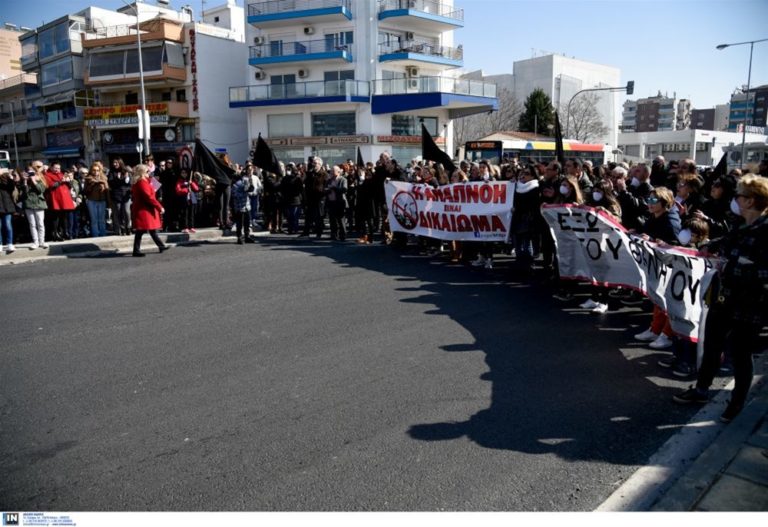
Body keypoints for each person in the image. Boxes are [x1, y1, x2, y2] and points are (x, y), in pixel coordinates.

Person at [673, 175, 768, 423]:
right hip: (724, 297)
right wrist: (708, 246)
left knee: (740, 353)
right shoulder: (739, 223)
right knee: (712, 344)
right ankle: (701, 390)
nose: (734, 200)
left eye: (739, 196)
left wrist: (731, 268)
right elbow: (726, 241)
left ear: (751, 201)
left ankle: (737, 403)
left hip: (751, 304)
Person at [130, 164, 168, 257]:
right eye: (147, 171)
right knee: (142, 230)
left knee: (150, 230)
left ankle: (160, 246)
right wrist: (159, 206)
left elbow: (152, 187)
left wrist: (153, 180)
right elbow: (148, 197)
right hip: (144, 209)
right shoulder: (141, 182)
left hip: (144, 208)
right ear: (142, 173)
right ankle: (136, 250)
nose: (149, 173)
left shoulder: (143, 181)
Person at [44, 161, 76, 241]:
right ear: (51, 167)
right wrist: (62, 180)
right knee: (56, 216)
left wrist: (69, 181)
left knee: (64, 216)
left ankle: (65, 232)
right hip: (55, 198)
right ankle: (55, 233)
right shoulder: (48, 175)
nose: (57, 170)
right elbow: (51, 185)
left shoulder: (62, 174)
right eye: (55, 168)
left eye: (58, 168)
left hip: (64, 198)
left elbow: (69, 186)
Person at [19, 164, 48, 249]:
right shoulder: (24, 181)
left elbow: (41, 190)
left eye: (32, 171)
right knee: (32, 224)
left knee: (40, 224)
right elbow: (23, 193)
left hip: (39, 204)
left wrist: (34, 180)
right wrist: (24, 182)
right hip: (28, 204)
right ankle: (35, 242)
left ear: (35, 172)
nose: (30, 173)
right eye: (28, 171)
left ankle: (42, 241)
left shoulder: (40, 179)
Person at [83, 162, 109, 237]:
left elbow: (107, 190)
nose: (96, 172)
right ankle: (95, 235)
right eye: (94, 170)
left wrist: (108, 202)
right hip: (92, 200)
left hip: (102, 200)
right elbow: (85, 191)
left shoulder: (104, 178)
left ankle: (103, 234)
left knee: (102, 219)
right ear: (91, 170)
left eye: (97, 170)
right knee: (94, 219)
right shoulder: (88, 179)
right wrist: (92, 185)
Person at [107, 157, 132, 235]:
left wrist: (127, 178)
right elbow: (111, 183)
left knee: (127, 211)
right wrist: (117, 179)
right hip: (116, 195)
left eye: (116, 163)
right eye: (114, 163)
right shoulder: (111, 172)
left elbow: (130, 183)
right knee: (118, 212)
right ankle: (122, 228)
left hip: (126, 195)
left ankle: (128, 227)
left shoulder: (126, 171)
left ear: (120, 163)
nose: (115, 164)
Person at [230, 169, 255, 244]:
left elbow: (251, 190)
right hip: (239, 207)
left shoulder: (244, 182)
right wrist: (244, 193)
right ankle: (239, 237)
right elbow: (235, 195)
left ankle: (247, 236)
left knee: (247, 222)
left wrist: (250, 183)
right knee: (239, 223)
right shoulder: (235, 185)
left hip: (246, 206)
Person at [326, 164, 348, 241]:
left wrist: (334, 188)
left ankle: (343, 235)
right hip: (331, 202)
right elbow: (325, 189)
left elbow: (344, 190)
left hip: (340, 203)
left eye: (333, 171)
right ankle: (334, 235)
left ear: (338, 172)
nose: (331, 172)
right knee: (332, 220)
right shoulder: (329, 180)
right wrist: (327, 190)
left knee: (341, 220)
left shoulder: (343, 180)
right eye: (331, 171)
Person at [175, 168, 200, 234]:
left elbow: (197, 188)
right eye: (182, 173)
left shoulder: (191, 180)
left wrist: (191, 183)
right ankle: (185, 227)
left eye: (185, 173)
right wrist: (186, 190)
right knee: (185, 214)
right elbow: (178, 190)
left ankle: (191, 227)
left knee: (191, 214)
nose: (184, 174)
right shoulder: (179, 181)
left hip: (191, 199)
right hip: (184, 199)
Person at [0, 170, 18, 253]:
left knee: (7, 225)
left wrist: (10, 178)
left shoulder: (5, 178)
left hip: (6, 205)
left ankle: (10, 243)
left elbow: (11, 188)